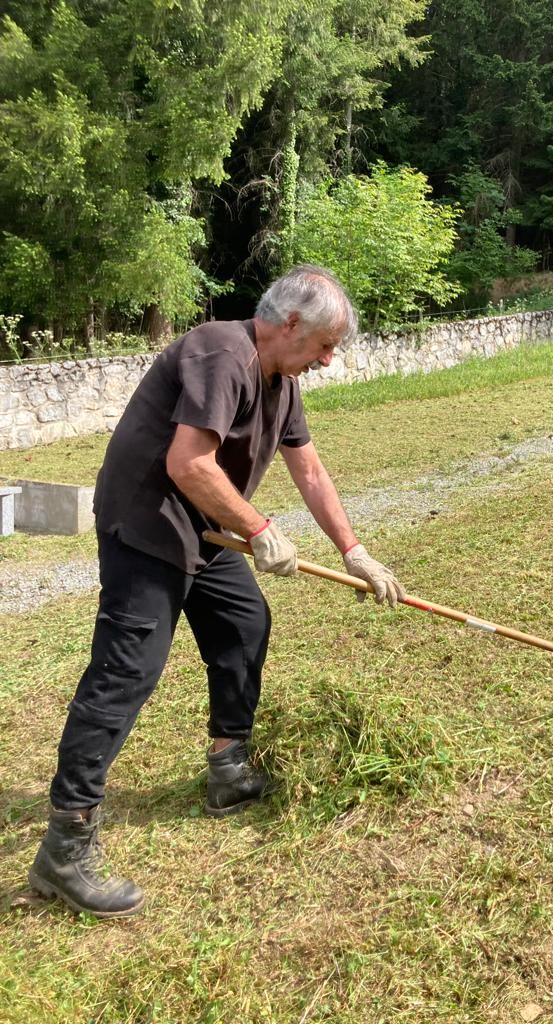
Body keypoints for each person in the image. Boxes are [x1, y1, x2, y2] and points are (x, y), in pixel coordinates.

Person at [27, 264, 405, 919]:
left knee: (243, 622)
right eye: (323, 344)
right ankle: (66, 845)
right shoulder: (220, 352)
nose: (328, 358)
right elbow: (187, 464)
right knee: (127, 671)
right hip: (147, 524)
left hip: (206, 530)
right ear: (289, 324)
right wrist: (259, 528)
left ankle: (228, 770)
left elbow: (308, 468)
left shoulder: (280, 380)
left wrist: (354, 549)